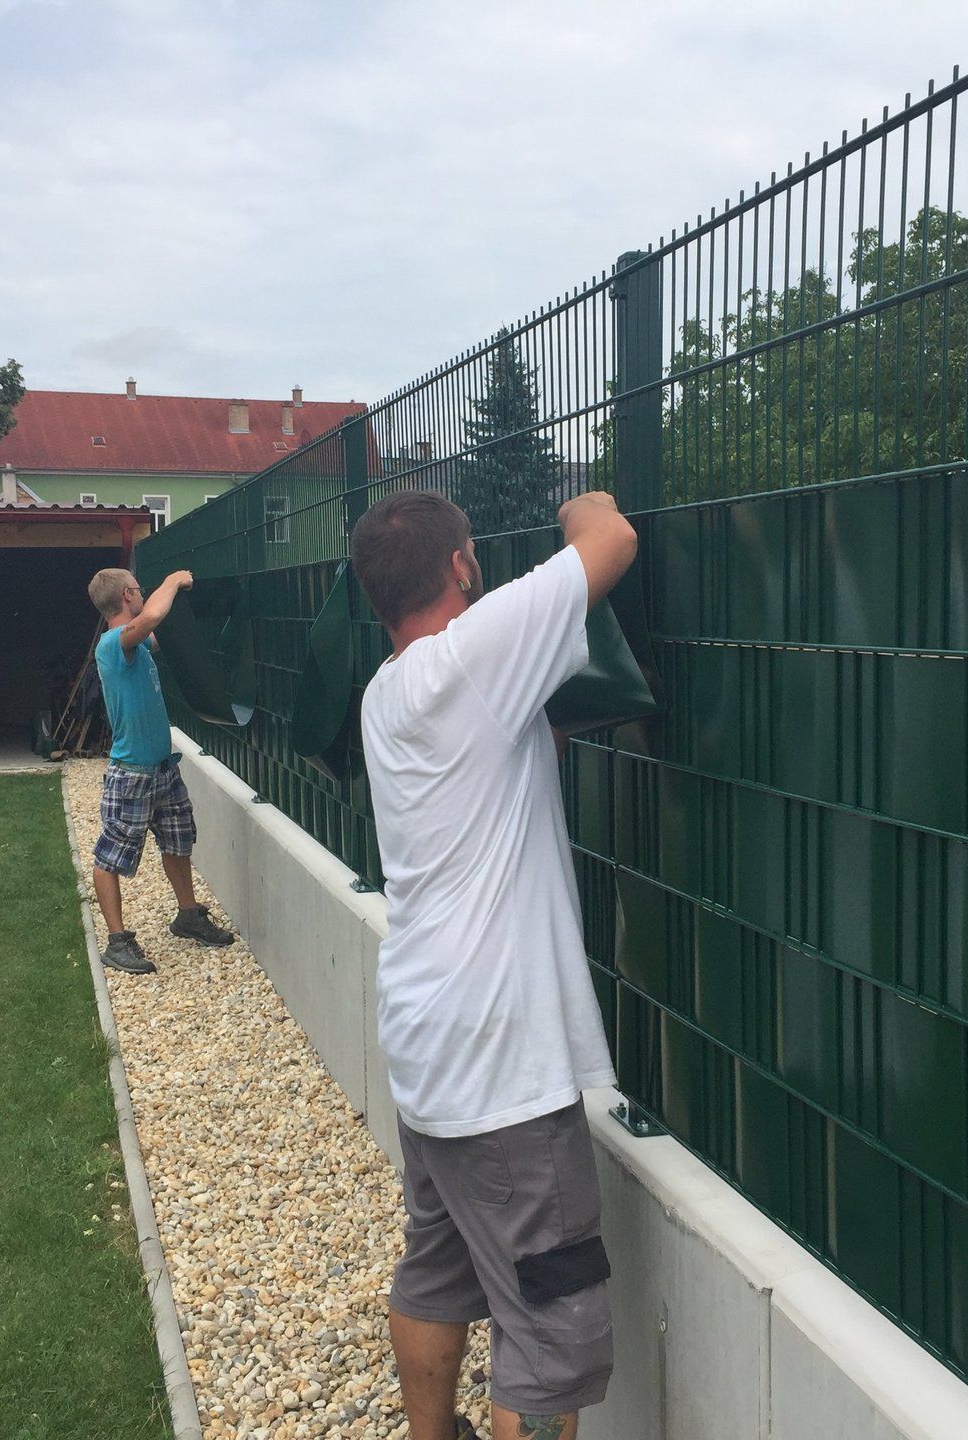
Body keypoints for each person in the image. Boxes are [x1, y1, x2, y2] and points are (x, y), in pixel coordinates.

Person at [351, 489, 639, 1440]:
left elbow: (507, 749)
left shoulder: (385, 693)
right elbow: (612, 541)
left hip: (430, 1053)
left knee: (434, 1271)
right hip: (503, 1068)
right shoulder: (475, 657)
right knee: (549, 1326)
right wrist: (579, 506)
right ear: (462, 566)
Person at [84, 567, 235, 974]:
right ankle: (117, 942)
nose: (145, 592)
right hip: (131, 772)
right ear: (130, 595)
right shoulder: (113, 643)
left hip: (162, 768)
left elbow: (153, 631)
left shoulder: (136, 643)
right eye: (140, 588)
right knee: (112, 853)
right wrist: (174, 581)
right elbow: (149, 621)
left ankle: (187, 915)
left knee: (178, 838)